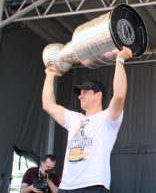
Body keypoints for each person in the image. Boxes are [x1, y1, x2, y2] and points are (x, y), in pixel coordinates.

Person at [42, 46, 132, 193]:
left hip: (93, 186)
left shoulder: (107, 118)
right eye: (79, 93)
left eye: (85, 92)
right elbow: (48, 105)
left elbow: (120, 95)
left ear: (98, 95)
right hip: (66, 187)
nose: (80, 96)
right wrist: (50, 75)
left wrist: (120, 60)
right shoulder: (74, 118)